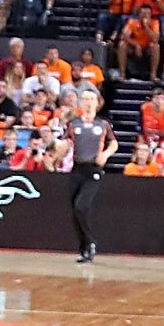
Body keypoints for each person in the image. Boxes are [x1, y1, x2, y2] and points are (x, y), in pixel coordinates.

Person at [69, 91, 116, 263]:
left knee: (82, 206)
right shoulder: (73, 124)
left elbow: (114, 142)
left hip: (93, 170)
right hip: (76, 169)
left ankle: (91, 243)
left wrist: (106, 154)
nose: (88, 102)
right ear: (81, 102)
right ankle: (85, 248)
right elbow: (65, 142)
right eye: (85, 99)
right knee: (75, 210)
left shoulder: (102, 124)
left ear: (97, 103)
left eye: (91, 99)